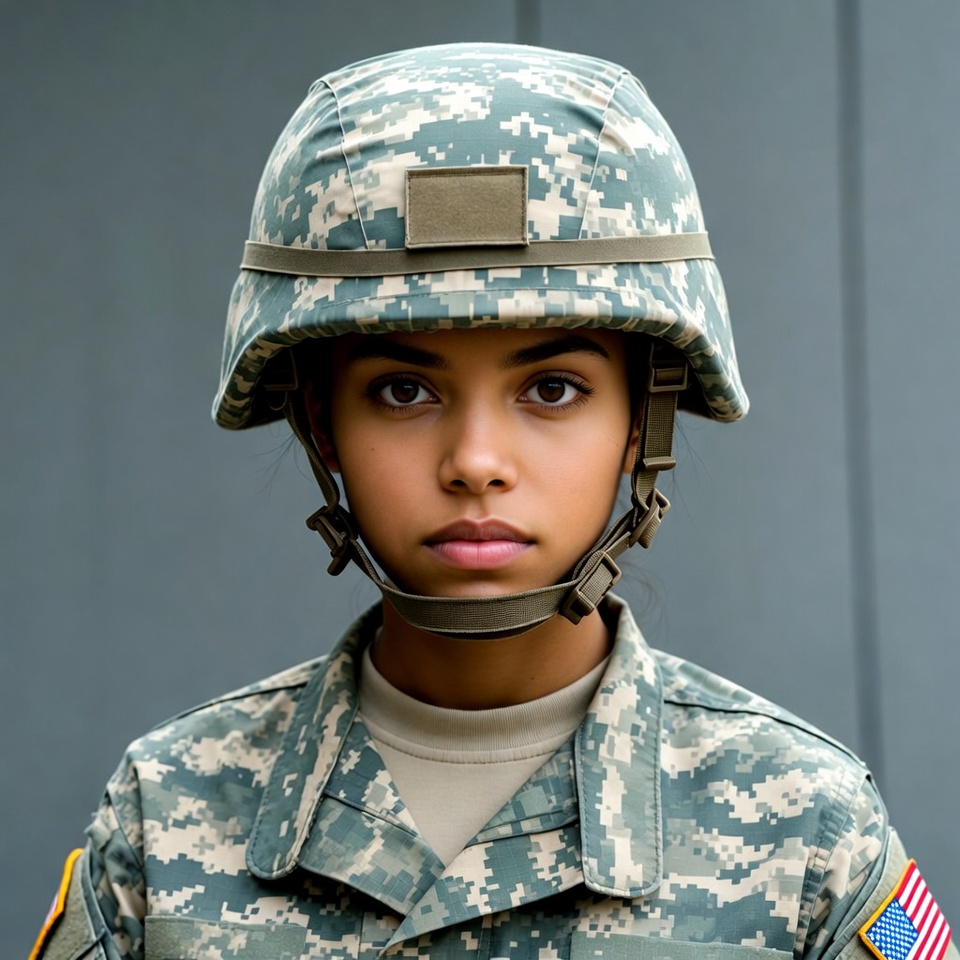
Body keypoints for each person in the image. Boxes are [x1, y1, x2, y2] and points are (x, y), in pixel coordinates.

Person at [30, 42, 953, 960]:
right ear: (321, 423)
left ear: (643, 419)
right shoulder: (169, 814)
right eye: (403, 390)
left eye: (552, 388)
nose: (475, 462)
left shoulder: (807, 831)